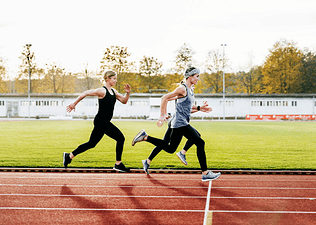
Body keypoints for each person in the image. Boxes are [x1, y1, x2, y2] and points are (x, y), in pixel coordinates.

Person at [132, 65, 221, 181]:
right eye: (197, 76)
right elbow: (164, 98)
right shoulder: (182, 89)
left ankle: (145, 137)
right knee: (200, 142)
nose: (198, 79)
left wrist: (200, 108)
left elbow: (187, 109)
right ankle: (205, 172)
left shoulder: (190, 90)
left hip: (180, 123)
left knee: (170, 148)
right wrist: (162, 115)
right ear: (190, 76)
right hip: (180, 123)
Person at [63, 70, 131, 172]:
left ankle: (69, 156)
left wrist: (127, 93)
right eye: (114, 78)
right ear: (107, 78)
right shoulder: (102, 91)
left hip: (103, 122)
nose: (116, 80)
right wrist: (74, 103)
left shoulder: (114, 92)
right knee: (120, 138)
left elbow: (124, 101)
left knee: (91, 143)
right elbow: (85, 93)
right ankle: (118, 164)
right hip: (101, 121)